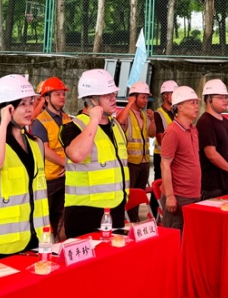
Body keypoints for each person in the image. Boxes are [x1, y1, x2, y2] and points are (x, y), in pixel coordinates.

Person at [0, 75, 49, 258]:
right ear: (5, 108)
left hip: (35, 237)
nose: (30, 108)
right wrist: (4, 122)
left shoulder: (36, 144)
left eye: (30, 102)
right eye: (22, 104)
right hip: (0, 246)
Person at [60, 69, 130, 238]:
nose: (113, 98)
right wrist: (94, 119)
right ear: (91, 100)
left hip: (114, 210)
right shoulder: (74, 127)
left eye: (113, 94)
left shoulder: (115, 126)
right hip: (85, 214)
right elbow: (76, 155)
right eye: (107, 95)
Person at [30, 77, 71, 239]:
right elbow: (44, 149)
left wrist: (69, 165)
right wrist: (66, 163)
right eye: (57, 94)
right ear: (46, 98)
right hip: (49, 178)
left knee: (59, 215)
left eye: (63, 94)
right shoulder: (40, 121)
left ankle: (56, 244)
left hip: (65, 176)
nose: (62, 97)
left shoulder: (67, 118)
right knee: (45, 218)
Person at [160, 86, 201, 231]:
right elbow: (165, 165)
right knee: (176, 237)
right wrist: (170, 196)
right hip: (178, 197)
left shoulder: (193, 129)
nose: (196, 106)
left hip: (193, 194)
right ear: (180, 107)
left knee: (190, 237)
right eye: (192, 103)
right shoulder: (173, 132)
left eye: (196, 102)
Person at [117, 81, 156, 222]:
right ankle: (126, 221)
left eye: (147, 98)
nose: (146, 101)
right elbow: (119, 121)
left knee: (138, 196)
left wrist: (152, 120)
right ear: (133, 97)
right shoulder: (126, 114)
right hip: (131, 162)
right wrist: (129, 103)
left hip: (144, 162)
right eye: (143, 97)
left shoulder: (144, 115)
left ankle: (134, 220)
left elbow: (152, 134)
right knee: (129, 195)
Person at [197, 79, 228, 199]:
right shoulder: (205, 122)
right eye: (221, 97)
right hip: (212, 185)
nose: (225, 100)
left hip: (226, 182)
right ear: (209, 99)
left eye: (226, 97)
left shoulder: (225, 122)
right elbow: (211, 154)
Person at [150, 80, 177, 217]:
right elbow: (160, 137)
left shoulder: (175, 113)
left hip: (173, 156)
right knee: (160, 186)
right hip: (161, 156)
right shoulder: (158, 114)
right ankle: (154, 214)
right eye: (172, 93)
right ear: (165, 95)